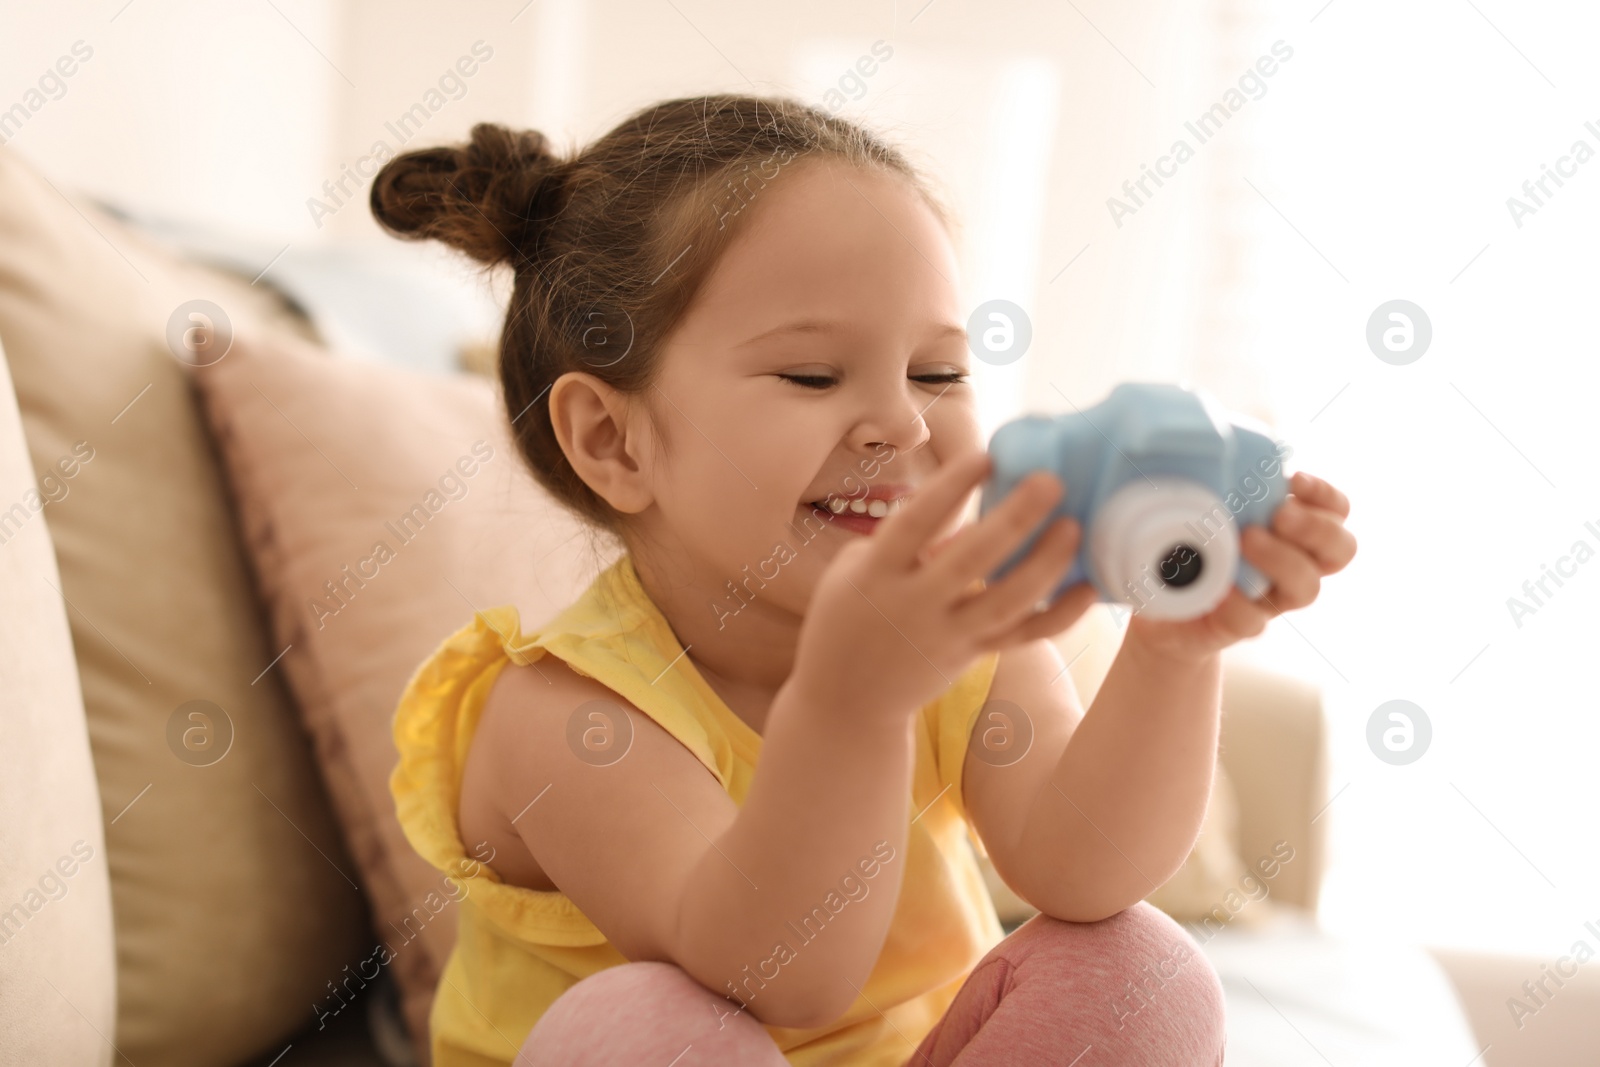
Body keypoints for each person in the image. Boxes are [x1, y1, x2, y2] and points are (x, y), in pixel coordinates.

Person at [380, 95, 1357, 1066]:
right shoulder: (562, 714)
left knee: (1137, 962)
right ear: (612, 439)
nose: (905, 424)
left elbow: (1085, 866)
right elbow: (777, 972)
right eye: (812, 375)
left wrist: (1173, 650)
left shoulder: (964, 633)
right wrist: (853, 703)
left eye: (938, 374)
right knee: (648, 1026)